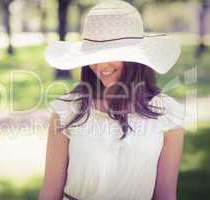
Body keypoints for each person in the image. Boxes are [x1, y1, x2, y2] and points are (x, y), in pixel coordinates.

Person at [39, 1, 187, 200]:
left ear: (136, 58)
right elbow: (50, 191)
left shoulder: (168, 114)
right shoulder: (67, 110)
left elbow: (166, 195)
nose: (99, 65)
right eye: (93, 55)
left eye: (111, 55)